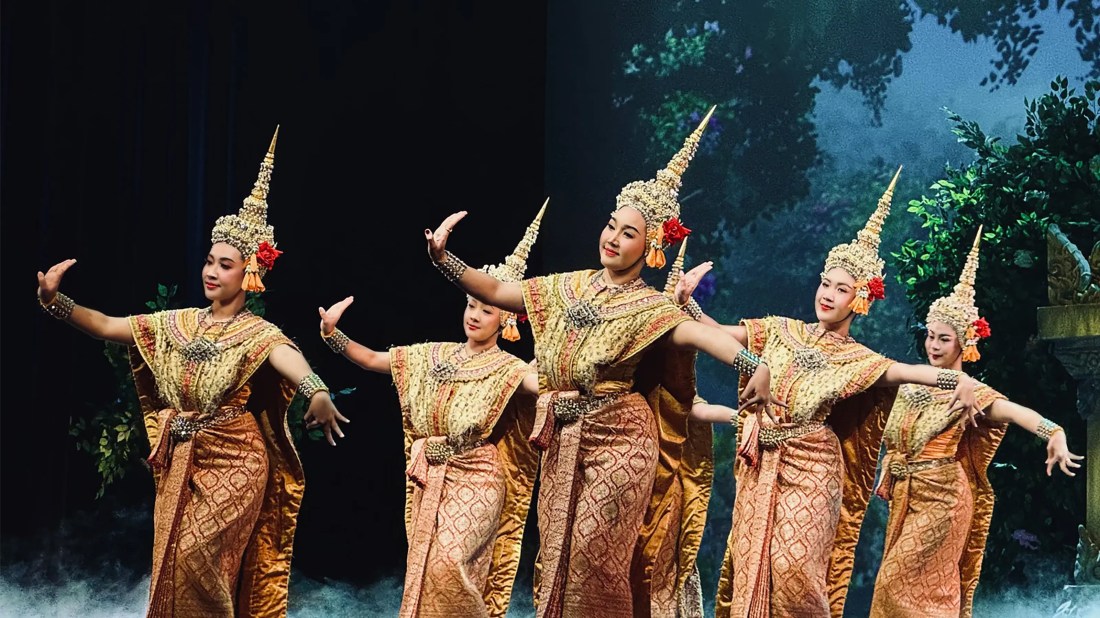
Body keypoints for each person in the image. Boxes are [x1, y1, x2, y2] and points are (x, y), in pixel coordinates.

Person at [424, 106, 776, 618]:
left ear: (651, 242)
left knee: (595, 559)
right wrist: (444, 260)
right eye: (611, 225)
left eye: (628, 232)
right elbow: (500, 290)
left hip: (621, 443)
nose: (612, 237)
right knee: (557, 560)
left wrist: (754, 363)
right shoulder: (567, 287)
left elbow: (701, 335)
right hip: (563, 440)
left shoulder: (650, 308)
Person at [34, 128, 349, 618]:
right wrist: (56, 303)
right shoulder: (175, 323)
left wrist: (317, 390)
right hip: (183, 460)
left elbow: (288, 357)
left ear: (248, 273)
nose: (211, 271)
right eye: (209, 260)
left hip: (237, 463)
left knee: (200, 561)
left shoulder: (255, 332)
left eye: (225, 265)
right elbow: (107, 326)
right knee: (178, 565)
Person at [676, 167, 981, 617]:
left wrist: (962, 380)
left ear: (860, 299)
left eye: (842, 289)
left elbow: (907, 371)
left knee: (794, 569)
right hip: (762, 465)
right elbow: (717, 334)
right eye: (826, 283)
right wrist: (687, 301)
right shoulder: (779, 330)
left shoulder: (861, 359)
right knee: (750, 565)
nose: (829, 294)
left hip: (815, 466)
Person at [316, 202, 549, 618]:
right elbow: (372, 360)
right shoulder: (432, 355)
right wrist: (333, 335)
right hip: (429, 479)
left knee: (448, 567)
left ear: (507, 320)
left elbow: (546, 387)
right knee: (425, 570)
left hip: (479, 477)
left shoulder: (511, 369)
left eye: (487, 308)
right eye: (472, 305)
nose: (476, 314)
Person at [868, 227, 1082, 618]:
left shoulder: (973, 392)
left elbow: (1015, 412)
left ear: (964, 343)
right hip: (906, 496)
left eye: (944, 339)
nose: (933, 345)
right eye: (930, 336)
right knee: (897, 591)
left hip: (944, 499)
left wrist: (1055, 432)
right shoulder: (912, 380)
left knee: (899, 588)